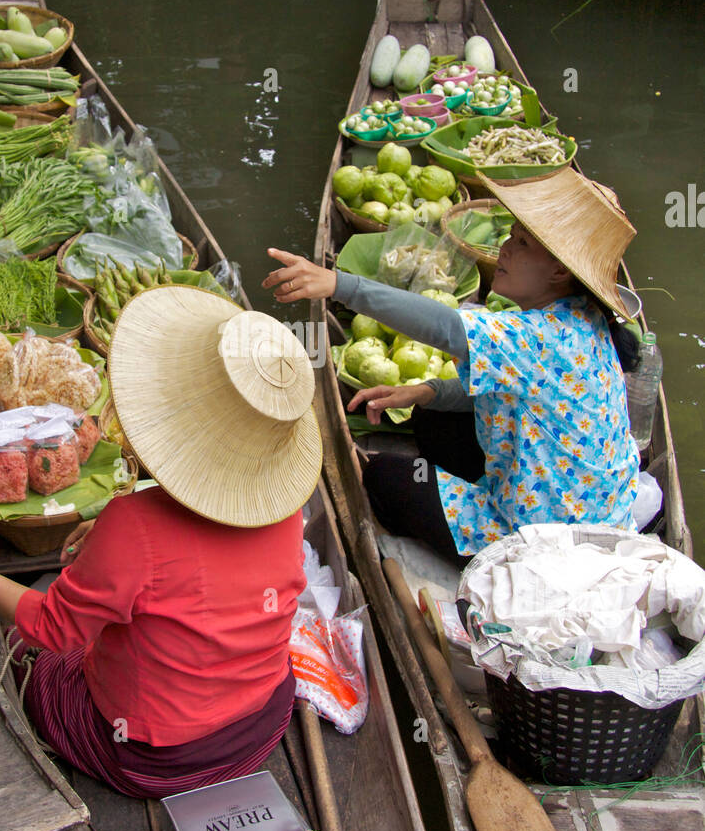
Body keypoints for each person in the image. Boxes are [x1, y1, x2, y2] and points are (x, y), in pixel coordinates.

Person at [0, 287, 323, 798]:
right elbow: (196, 553)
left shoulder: (134, 526)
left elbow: (52, 628)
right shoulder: (279, 508)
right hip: (263, 722)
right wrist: (112, 533)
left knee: (40, 658)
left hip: (157, 760)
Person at [263, 167, 642, 566]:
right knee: (431, 416)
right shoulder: (587, 317)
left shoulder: (539, 335)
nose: (506, 249)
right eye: (510, 235)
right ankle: (460, 476)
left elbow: (445, 327)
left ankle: (470, 518)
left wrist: (340, 285)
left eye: (523, 243)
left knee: (385, 477)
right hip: (586, 508)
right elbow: (510, 387)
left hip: (544, 545)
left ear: (560, 271)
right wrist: (427, 391)